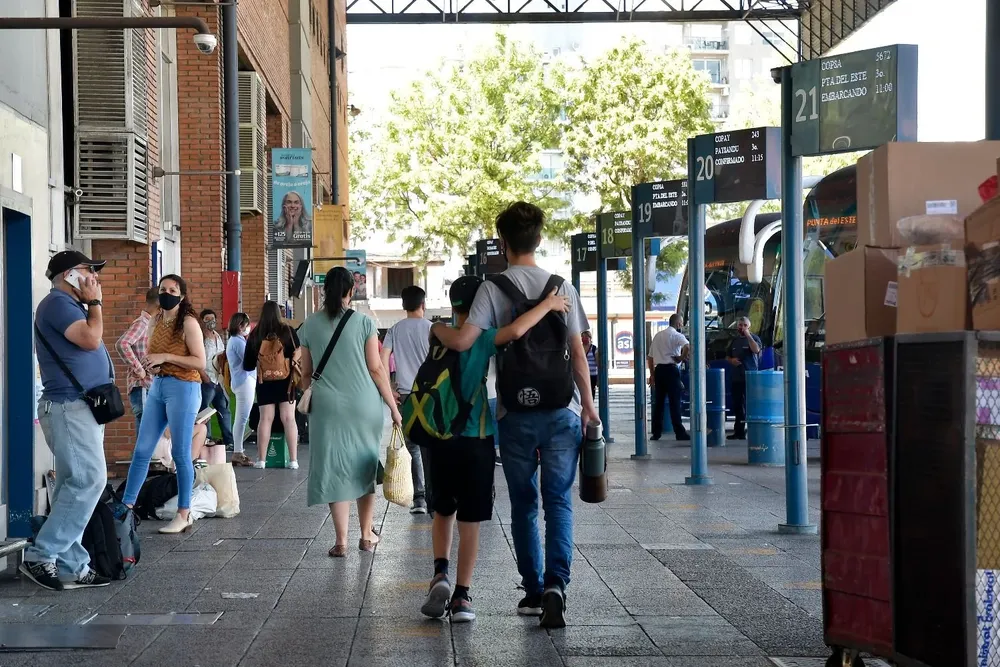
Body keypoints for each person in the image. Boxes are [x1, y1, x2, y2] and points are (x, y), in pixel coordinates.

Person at [429, 201, 598, 629]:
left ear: (503, 244)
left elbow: (468, 340)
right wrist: (590, 407)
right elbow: (578, 352)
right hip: (562, 409)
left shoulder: (492, 289)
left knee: (524, 503)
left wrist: (436, 329)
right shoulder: (562, 288)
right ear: (538, 240)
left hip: (515, 412)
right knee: (558, 501)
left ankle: (533, 589)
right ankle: (558, 584)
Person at [421, 276, 571, 623]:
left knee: (443, 509)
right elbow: (517, 331)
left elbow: (453, 339)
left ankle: (440, 572)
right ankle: (461, 597)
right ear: (479, 306)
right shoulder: (485, 339)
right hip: (476, 436)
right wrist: (548, 305)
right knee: (470, 518)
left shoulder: (439, 332)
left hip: (439, 435)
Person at [297, 267, 402, 557]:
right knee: (363, 467)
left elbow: (305, 373)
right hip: (363, 404)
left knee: (333, 467)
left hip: (326, 408)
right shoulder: (364, 323)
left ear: (323, 290)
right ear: (350, 291)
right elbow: (376, 368)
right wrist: (393, 407)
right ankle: (366, 535)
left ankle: (340, 541)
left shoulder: (309, 325)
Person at [23, 250, 112, 591]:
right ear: (69, 275)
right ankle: (41, 555)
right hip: (68, 408)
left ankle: (74, 564)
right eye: (89, 271)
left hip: (79, 409)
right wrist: (95, 303)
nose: (95, 278)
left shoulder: (68, 305)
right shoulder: (59, 304)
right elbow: (90, 340)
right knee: (90, 480)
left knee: (71, 488)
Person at [122, 274, 206, 535]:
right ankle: (126, 508)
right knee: (142, 450)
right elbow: (149, 352)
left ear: (181, 295)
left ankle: (184, 512)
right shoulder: (155, 320)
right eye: (162, 289)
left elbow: (200, 362)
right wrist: (151, 363)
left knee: (181, 453)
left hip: (184, 388)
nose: (166, 293)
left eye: (172, 289)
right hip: (158, 385)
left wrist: (166, 356)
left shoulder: (189, 323)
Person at [380, 286, 432, 514]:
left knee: (413, 448)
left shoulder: (395, 330)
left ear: (403, 305)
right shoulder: (433, 329)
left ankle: (419, 499)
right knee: (431, 446)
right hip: (431, 395)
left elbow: (382, 360)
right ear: (424, 304)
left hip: (407, 396)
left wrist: (390, 388)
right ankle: (434, 497)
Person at [243, 301, 300, 469]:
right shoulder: (288, 331)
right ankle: (293, 461)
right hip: (287, 382)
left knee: (265, 419)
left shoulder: (256, 334)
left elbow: (247, 365)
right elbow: (298, 352)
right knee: (289, 418)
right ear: (278, 313)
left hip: (264, 382)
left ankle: (261, 460)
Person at [116, 287, 159, 433]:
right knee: (145, 427)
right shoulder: (142, 323)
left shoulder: (150, 324)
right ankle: (143, 456)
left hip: (148, 384)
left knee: (149, 426)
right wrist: (139, 368)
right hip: (142, 384)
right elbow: (122, 344)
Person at [647, 314, 691, 442]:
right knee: (674, 403)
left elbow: (650, 357)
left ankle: (656, 433)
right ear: (678, 324)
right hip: (672, 370)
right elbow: (687, 347)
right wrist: (681, 358)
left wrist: (652, 375)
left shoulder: (658, 336)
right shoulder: (677, 335)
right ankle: (679, 432)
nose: (682, 325)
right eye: (681, 323)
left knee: (659, 403)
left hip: (659, 370)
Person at [199, 309, 234, 451]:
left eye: (213, 318)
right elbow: (197, 359)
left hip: (218, 380)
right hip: (206, 380)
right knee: (204, 412)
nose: (211, 322)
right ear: (202, 321)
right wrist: (204, 376)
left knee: (223, 409)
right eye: (207, 319)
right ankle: (206, 439)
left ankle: (229, 441)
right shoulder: (200, 337)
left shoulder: (218, 336)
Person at [225, 312, 256, 466]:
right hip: (244, 382)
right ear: (240, 325)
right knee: (242, 418)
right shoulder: (237, 342)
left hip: (242, 381)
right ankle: (238, 452)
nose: (248, 327)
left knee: (242, 418)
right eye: (246, 324)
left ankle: (239, 451)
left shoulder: (235, 340)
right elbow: (249, 360)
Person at [727, 316, 762, 440]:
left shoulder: (754, 338)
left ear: (749, 327)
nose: (741, 327)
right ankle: (739, 432)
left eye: (744, 325)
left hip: (750, 377)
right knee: (738, 405)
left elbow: (756, 350)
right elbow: (728, 355)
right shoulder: (734, 341)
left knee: (751, 405)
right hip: (736, 378)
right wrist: (732, 360)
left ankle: (755, 431)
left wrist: (748, 335)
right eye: (740, 325)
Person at [582, 331, 599, 401]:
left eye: (586, 337)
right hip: (582, 375)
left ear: (590, 338)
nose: (584, 339)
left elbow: (598, 364)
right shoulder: (580, 348)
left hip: (592, 375)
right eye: (583, 337)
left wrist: (599, 379)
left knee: (591, 393)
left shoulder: (594, 349)